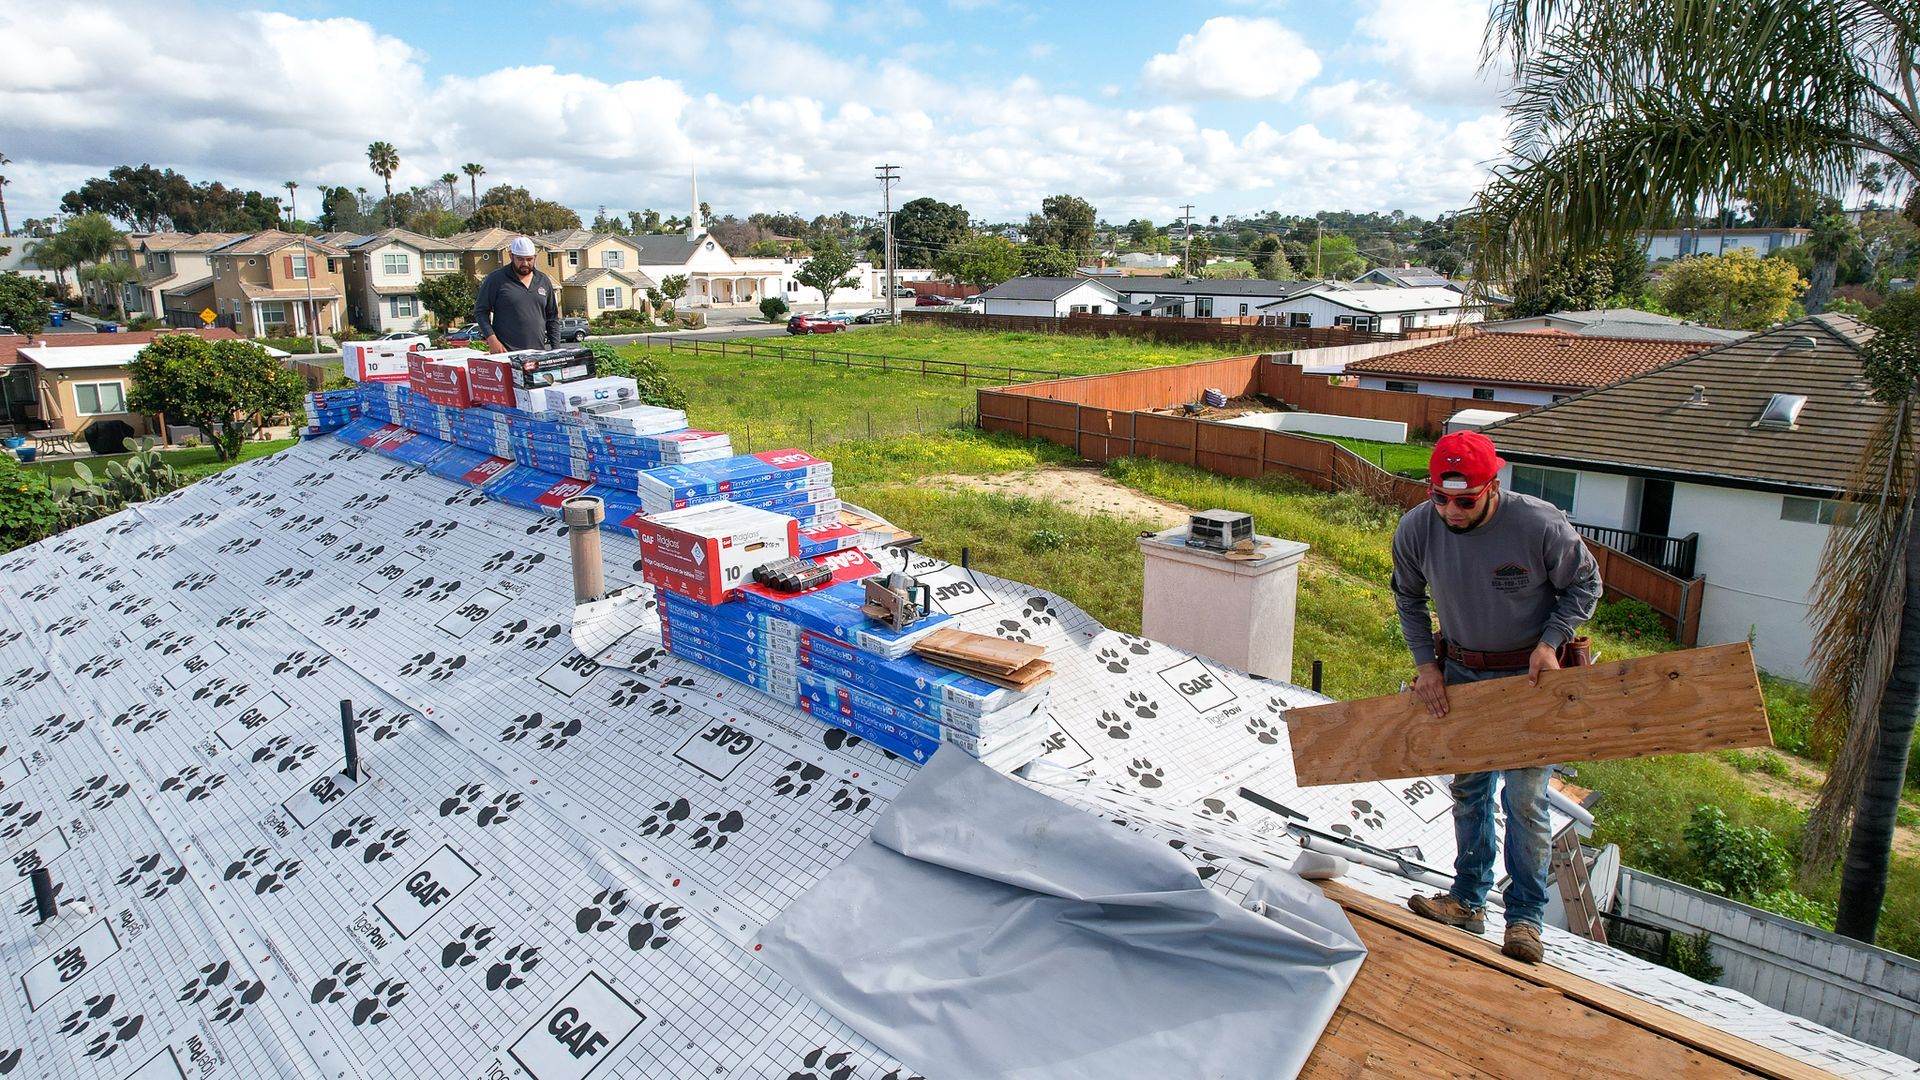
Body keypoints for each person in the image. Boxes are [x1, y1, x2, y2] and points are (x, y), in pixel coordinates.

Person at [1390, 430, 1601, 963]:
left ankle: (1525, 920)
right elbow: (1408, 598)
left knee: (1525, 798)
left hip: (1530, 680)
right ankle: (1467, 900)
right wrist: (1426, 666)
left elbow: (1586, 584)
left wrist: (1551, 644)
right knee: (1470, 789)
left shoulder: (1537, 523)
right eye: (1441, 498)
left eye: (1465, 500)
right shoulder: (1417, 528)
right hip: (1461, 670)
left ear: (1492, 486)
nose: (1452, 511)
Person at [473, 236, 559, 353]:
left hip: (537, 353)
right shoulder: (496, 279)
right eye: (520, 259)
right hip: (506, 353)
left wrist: (556, 350)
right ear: (510, 255)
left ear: (535, 257)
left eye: (529, 259)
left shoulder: (543, 280)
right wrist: (492, 339)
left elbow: (552, 318)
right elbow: (480, 311)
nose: (525, 263)